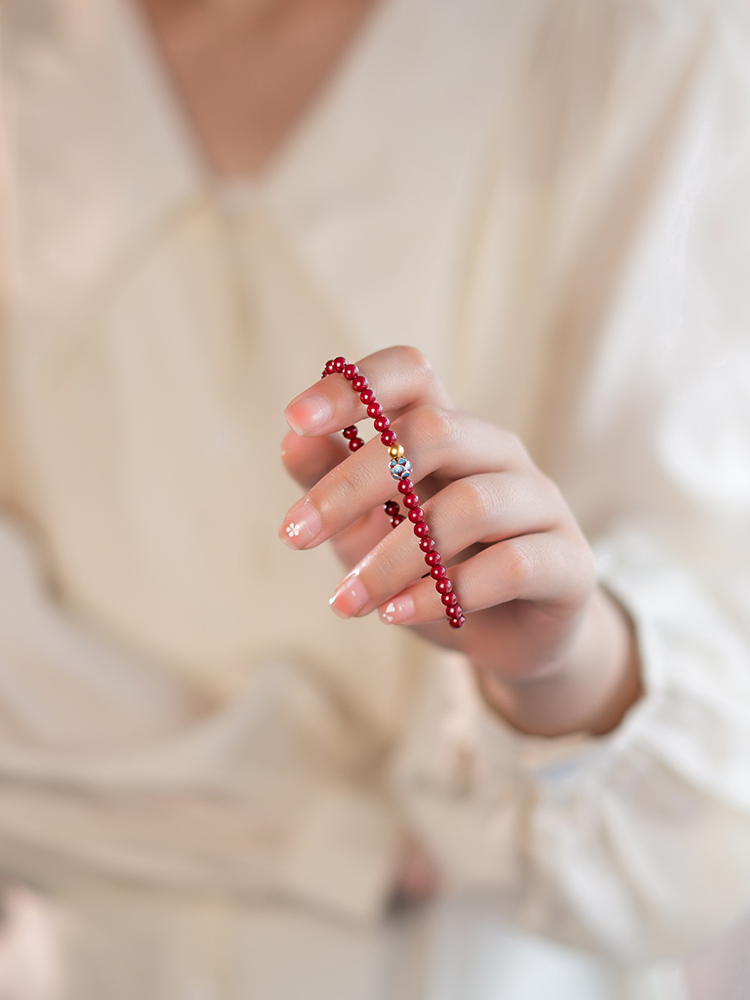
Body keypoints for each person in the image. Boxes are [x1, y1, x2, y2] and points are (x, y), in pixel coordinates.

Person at [0, 0, 749, 997]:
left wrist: (557, 668)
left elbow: (708, 803)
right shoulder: (30, 61)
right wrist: (332, 836)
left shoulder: (634, 41)